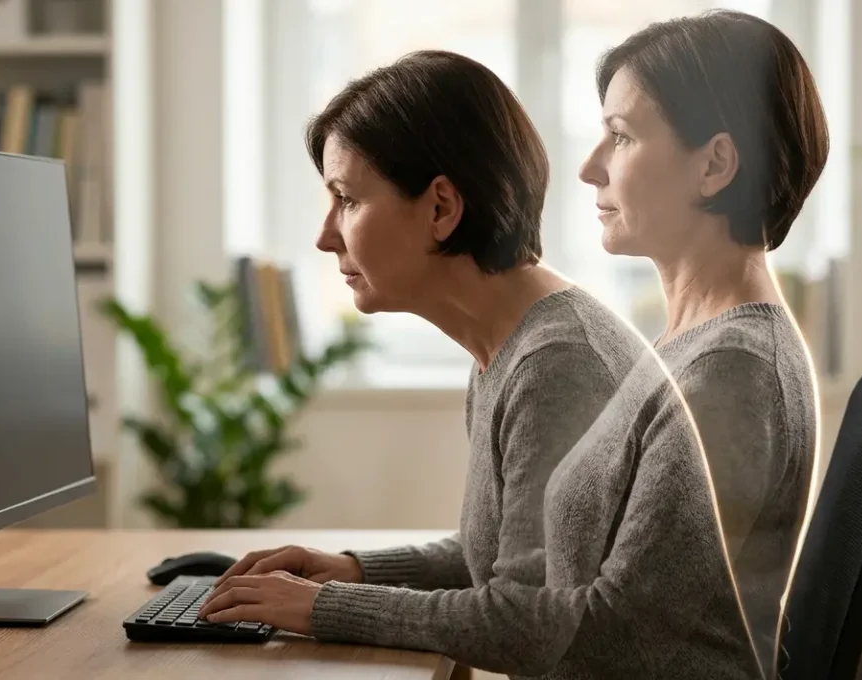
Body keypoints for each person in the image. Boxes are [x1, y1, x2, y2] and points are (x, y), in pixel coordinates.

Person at [197, 50, 760, 679]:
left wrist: (326, 606)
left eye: (347, 200)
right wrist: (355, 570)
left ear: (441, 207)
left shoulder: (559, 363)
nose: (326, 236)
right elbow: (511, 560)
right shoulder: (510, 343)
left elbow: (523, 623)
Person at [577, 9, 830, 677]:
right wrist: (353, 578)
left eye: (620, 137)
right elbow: (548, 554)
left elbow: (613, 638)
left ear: (715, 164)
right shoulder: (693, 347)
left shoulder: (732, 371)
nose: (589, 168)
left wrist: (341, 609)